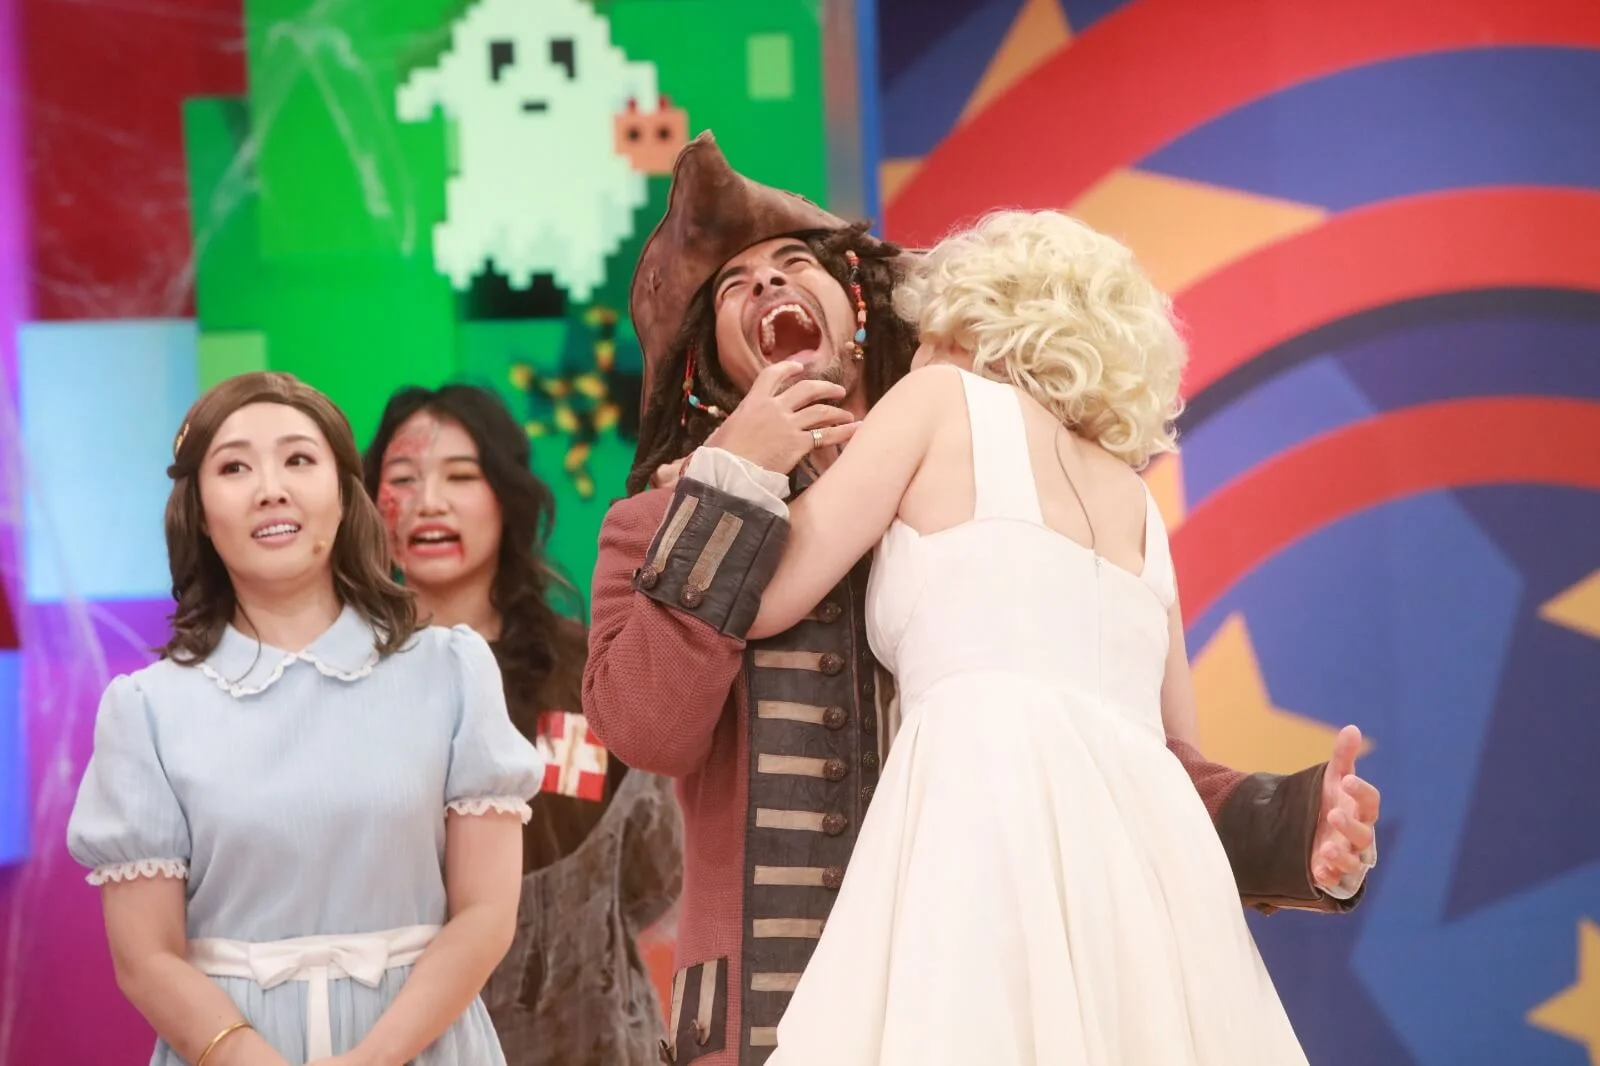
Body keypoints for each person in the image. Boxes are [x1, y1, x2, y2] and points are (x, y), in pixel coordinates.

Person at [583, 133, 1378, 1066]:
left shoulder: (962, 469)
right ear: (707, 368)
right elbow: (645, 728)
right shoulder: (659, 523)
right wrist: (730, 483)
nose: (766, 282)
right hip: (776, 1005)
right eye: (732, 286)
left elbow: (1131, 762)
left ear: (861, 309)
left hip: (1008, 976)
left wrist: (1296, 827)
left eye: (795, 262)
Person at [66, 371, 544, 1066]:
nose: (270, 489)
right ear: (198, 511)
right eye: (234, 468)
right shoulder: (147, 709)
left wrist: (374, 1059)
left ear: (345, 495)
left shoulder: (450, 670)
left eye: (298, 459)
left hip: (424, 1047)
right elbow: (146, 958)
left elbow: (486, 914)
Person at [363, 384, 683, 1066]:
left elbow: (651, 878)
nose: (429, 502)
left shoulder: (586, 673)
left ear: (507, 498)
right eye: (403, 480)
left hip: (587, 1037)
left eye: (460, 476)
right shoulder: (342, 683)